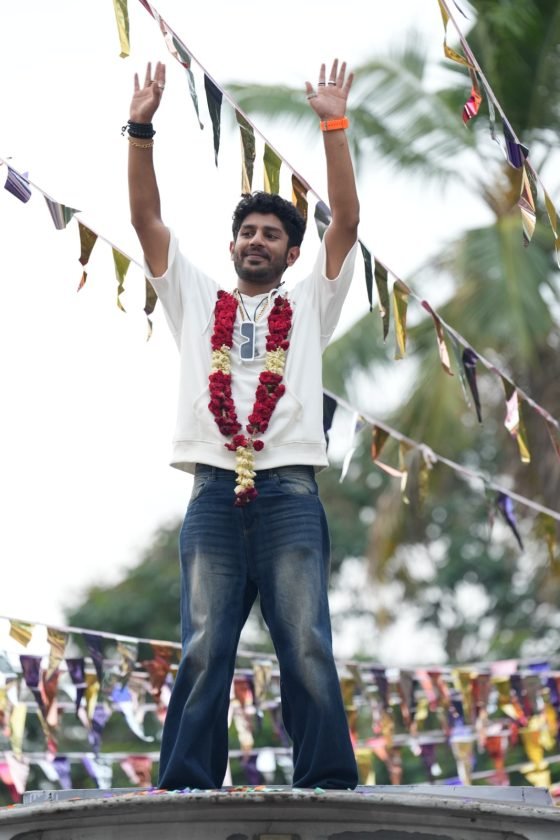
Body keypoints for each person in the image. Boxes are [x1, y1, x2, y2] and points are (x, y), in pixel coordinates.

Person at [127, 57, 360, 791]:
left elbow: (347, 224)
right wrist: (139, 128)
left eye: (271, 235)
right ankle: (187, 788)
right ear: (232, 246)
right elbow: (145, 221)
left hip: (291, 493)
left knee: (306, 645)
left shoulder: (310, 306)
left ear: (292, 253)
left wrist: (333, 124)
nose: (258, 240)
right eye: (248, 232)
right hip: (212, 492)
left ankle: (327, 786)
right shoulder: (197, 300)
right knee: (203, 648)